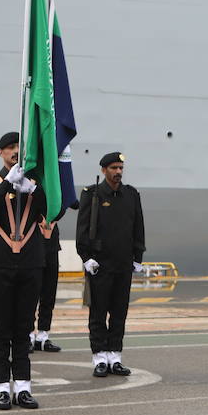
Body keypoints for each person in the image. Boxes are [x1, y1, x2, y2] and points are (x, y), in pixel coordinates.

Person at [0, 132, 48, 409]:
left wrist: (32, 188)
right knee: (2, 327)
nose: (15, 152)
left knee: (24, 326)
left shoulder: (36, 181)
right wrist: (7, 184)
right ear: (0, 153)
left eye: (19, 147)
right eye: (10, 148)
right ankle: (1, 388)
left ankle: (23, 386)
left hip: (30, 261)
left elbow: (53, 211)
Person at [76, 151, 146, 377]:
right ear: (103, 170)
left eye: (120, 168)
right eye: (113, 168)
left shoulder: (131, 195)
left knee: (119, 313)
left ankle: (115, 356)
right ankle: (99, 357)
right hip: (100, 265)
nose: (118, 172)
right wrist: (86, 258)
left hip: (123, 264)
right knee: (97, 313)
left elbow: (138, 227)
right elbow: (83, 229)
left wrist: (138, 257)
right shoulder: (92, 194)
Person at [30, 208, 64, 353]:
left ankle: (43, 335)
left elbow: (70, 202)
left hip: (51, 244)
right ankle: (28, 334)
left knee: (49, 292)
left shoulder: (55, 186)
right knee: (30, 294)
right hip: (31, 242)